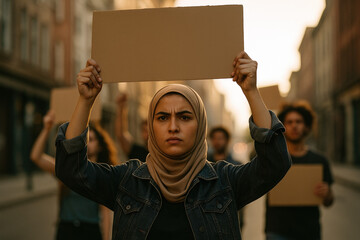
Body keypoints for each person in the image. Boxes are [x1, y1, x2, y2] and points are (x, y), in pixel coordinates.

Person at [55, 51, 291, 239]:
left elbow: (275, 164)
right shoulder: (126, 181)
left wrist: (251, 92)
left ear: (200, 127)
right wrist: (86, 101)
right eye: (162, 117)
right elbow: (72, 170)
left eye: (185, 117)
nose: (173, 126)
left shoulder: (225, 182)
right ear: (151, 127)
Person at [30, 110, 116, 240]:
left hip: (90, 231)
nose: (87, 143)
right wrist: (47, 129)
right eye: (85, 139)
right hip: (66, 230)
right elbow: (36, 156)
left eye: (91, 139)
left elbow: (105, 214)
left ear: (100, 146)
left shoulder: (101, 174)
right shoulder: (67, 169)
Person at [265, 101, 335, 240]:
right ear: (282, 126)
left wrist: (327, 193)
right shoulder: (273, 160)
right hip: (277, 231)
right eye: (289, 122)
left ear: (307, 126)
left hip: (309, 231)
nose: (294, 125)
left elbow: (329, 201)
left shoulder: (319, 160)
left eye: (298, 121)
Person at [115, 94, 149, 162]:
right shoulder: (137, 152)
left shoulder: (164, 153)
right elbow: (121, 135)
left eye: (150, 131)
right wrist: (121, 107)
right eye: (144, 130)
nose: (148, 134)